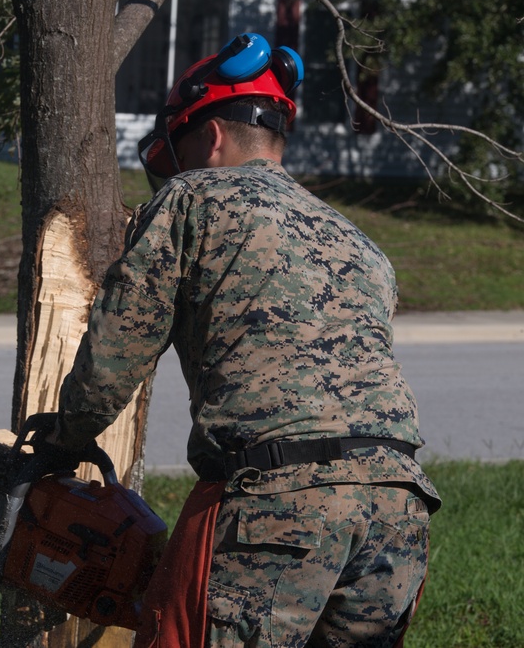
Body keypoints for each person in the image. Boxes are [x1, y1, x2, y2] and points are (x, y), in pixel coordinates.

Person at [47, 33, 441, 647]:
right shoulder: (361, 244)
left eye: (177, 150)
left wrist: (60, 439)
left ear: (210, 137)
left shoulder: (190, 200)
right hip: (399, 508)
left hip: (281, 504)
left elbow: (115, 356)